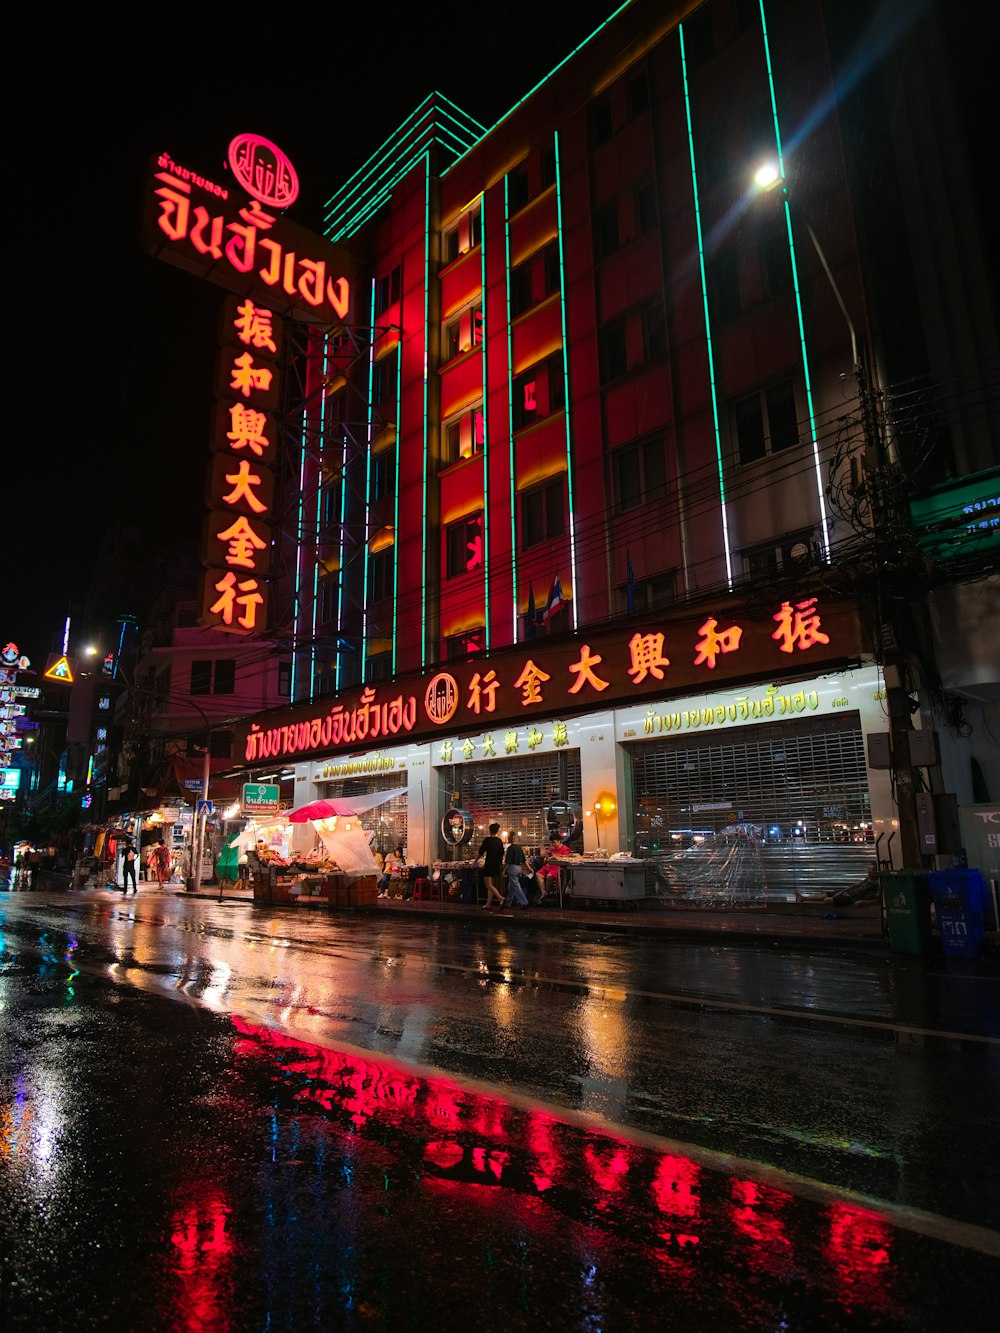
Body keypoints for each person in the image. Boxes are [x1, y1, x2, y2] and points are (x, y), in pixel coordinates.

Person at [477, 823, 506, 908]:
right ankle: (488, 904)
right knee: (491, 884)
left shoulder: (487, 840)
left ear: (490, 830)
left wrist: (475, 861)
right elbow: (502, 853)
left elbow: (481, 852)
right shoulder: (499, 841)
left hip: (489, 864)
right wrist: (500, 865)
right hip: (496, 864)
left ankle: (501, 898)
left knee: (488, 885)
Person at [503, 836, 530, 909]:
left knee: (516, 885)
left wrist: (503, 870)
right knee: (511, 886)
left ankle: (524, 902)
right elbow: (524, 860)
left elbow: (507, 861)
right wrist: (529, 868)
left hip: (512, 868)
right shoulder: (519, 847)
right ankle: (508, 903)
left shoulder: (510, 848)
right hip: (519, 867)